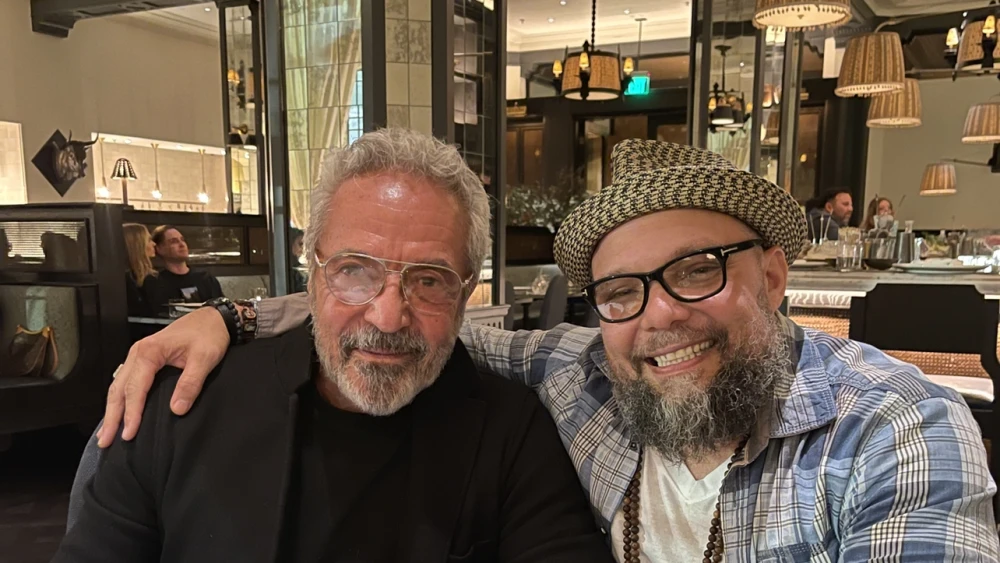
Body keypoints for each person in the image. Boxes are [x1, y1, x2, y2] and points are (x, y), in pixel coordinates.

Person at [97, 139, 999, 562]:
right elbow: (394, 329)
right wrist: (235, 317)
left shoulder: (895, 427)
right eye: (623, 290)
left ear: (771, 273)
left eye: (697, 270)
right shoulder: (586, 371)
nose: (661, 316)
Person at [54, 129, 611, 563]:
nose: (388, 317)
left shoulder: (513, 435)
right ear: (313, 273)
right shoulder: (182, 407)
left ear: (465, 293)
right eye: (354, 271)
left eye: (429, 280)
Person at [147, 225, 224, 311]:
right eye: (174, 241)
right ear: (159, 249)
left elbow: (223, 311)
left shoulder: (206, 278)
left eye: (182, 240)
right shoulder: (154, 282)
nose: (182, 244)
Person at [122, 223, 159, 317]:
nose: (154, 244)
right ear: (138, 245)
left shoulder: (149, 277)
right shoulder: (126, 280)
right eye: (149, 240)